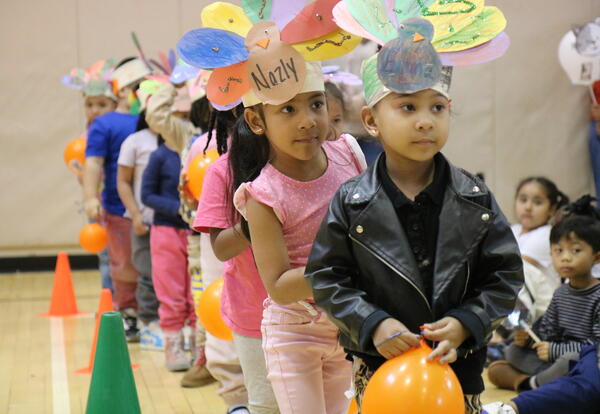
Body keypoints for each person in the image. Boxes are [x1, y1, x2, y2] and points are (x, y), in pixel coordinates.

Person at [304, 51, 523, 413]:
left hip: (456, 373)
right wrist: (372, 323)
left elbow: (505, 277)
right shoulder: (352, 200)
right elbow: (327, 278)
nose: (425, 121)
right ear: (372, 120)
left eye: (437, 108)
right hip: (380, 374)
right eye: (408, 108)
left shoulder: (475, 198)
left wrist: (466, 322)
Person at [233, 61, 366, 414]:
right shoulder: (262, 195)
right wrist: (346, 268)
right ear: (257, 121)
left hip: (348, 324)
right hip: (294, 333)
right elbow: (278, 285)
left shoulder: (349, 154)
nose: (308, 119)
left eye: (316, 104)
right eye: (288, 109)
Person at [194, 106, 278, 414]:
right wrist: (256, 218)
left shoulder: (311, 162)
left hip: (314, 311)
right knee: (266, 405)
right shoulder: (223, 171)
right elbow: (222, 247)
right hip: (253, 312)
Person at [487, 196, 600, 391]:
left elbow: (596, 348)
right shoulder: (561, 294)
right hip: (554, 361)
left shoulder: (597, 296)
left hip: (584, 361)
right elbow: (548, 331)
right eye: (558, 251)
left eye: (576, 250)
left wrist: (555, 350)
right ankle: (548, 383)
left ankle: (532, 384)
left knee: (570, 360)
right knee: (514, 350)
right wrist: (530, 339)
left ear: (596, 257)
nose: (565, 258)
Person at [83, 57, 150, 341]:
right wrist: (89, 197)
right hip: (117, 208)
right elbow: (93, 163)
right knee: (123, 264)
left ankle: (152, 314)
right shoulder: (104, 124)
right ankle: (127, 313)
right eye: (138, 87)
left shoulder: (150, 121)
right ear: (123, 91)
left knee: (149, 264)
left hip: (152, 209)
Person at [61, 59, 117, 293]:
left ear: (114, 105)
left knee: (121, 256)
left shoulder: (117, 130)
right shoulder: (86, 135)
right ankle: (109, 303)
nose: (94, 110)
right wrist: (86, 186)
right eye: (90, 104)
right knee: (105, 255)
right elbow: (84, 175)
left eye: (101, 104)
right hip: (98, 205)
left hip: (118, 202)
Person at [141, 136, 196, 371]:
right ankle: (172, 347)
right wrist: (177, 208)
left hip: (196, 231)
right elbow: (146, 195)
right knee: (171, 291)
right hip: (166, 230)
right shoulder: (160, 156)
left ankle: (199, 345)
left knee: (197, 292)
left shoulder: (198, 150)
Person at [116, 103, 161, 350]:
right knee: (147, 274)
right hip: (145, 220)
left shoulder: (177, 136)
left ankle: (172, 324)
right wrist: (135, 214)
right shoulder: (135, 141)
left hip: (173, 221)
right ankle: (148, 323)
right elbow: (122, 182)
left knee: (175, 277)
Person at [511, 177, 568, 321]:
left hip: (543, 311)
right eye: (523, 200)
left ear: (552, 209)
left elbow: (511, 266)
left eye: (537, 202)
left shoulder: (547, 234)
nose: (528, 207)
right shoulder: (513, 230)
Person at [482, 344, 600, 414]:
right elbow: (542, 330)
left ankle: (526, 387)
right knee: (513, 350)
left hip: (571, 359)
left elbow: (584, 344)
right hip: (588, 357)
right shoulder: (558, 301)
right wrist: (528, 341)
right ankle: (537, 383)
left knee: (572, 365)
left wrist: (553, 349)